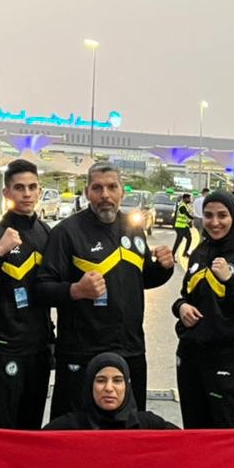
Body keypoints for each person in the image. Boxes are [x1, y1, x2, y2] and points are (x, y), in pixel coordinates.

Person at [35, 162, 175, 419]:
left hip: (130, 350)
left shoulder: (133, 228)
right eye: (97, 188)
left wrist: (164, 268)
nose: (105, 195)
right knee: (75, 431)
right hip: (82, 352)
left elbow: (141, 279)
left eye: (112, 187)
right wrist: (76, 290)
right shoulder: (67, 232)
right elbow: (42, 289)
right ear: (87, 192)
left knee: (128, 430)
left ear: (122, 191)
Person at [0, 159, 54, 430]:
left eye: (32, 187)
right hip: (4, 346)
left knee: (31, 428)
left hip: (39, 347)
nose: (26, 194)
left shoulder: (46, 233)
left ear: (39, 191)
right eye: (19, 187)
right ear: (6, 192)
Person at [173, 192, 234, 428]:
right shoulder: (199, 252)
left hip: (225, 359)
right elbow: (185, 296)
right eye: (208, 215)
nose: (215, 222)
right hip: (190, 355)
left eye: (222, 215)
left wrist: (230, 281)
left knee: (229, 431)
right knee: (194, 430)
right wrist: (181, 307)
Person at [44, 353, 178, 430]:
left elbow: (185, 444)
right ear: (90, 386)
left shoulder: (148, 425)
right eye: (101, 380)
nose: (109, 388)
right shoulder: (68, 427)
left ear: (127, 386)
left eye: (117, 380)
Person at [172, 194, 195, 261]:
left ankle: (185, 252)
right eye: (188, 198)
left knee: (189, 238)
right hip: (179, 226)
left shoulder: (186, 205)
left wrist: (190, 221)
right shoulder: (182, 206)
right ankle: (172, 255)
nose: (189, 200)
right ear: (185, 199)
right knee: (178, 241)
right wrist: (194, 218)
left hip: (184, 226)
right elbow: (187, 215)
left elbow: (190, 214)